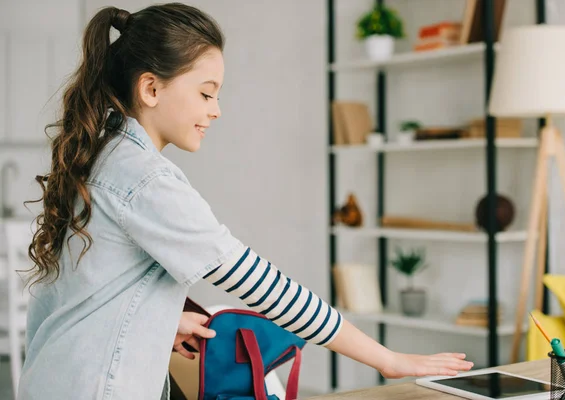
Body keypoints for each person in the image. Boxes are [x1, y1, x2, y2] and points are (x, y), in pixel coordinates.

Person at [17, 3, 473, 399]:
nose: (216, 109)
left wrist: (154, 320)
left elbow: (77, 291)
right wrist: (386, 359)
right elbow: (261, 284)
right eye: (205, 93)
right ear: (151, 89)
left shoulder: (103, 153)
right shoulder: (145, 179)